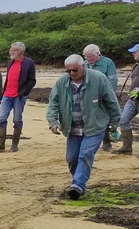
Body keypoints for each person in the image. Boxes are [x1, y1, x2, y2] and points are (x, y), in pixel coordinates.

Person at [46, 54, 121, 199]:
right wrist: (53, 122)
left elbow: (112, 102)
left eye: (75, 70)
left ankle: (78, 186)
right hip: (72, 127)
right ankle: (78, 180)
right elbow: (52, 103)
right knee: (72, 158)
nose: (72, 74)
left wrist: (114, 123)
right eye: (68, 71)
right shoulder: (62, 82)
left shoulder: (98, 79)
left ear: (83, 66)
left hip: (95, 126)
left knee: (85, 154)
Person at [0, 41, 37, 152]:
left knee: (17, 120)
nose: (10, 52)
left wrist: (25, 93)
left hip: (19, 96)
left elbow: (32, 80)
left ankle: (14, 144)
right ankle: (1, 142)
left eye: (13, 50)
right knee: (1, 119)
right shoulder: (10, 62)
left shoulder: (28, 63)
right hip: (7, 95)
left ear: (19, 51)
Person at [82, 44, 118, 151]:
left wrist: (106, 95)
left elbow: (113, 80)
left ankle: (107, 142)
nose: (88, 59)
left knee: (103, 118)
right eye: (86, 57)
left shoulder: (107, 63)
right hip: (88, 97)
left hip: (103, 96)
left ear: (98, 54)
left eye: (90, 56)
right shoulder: (84, 64)